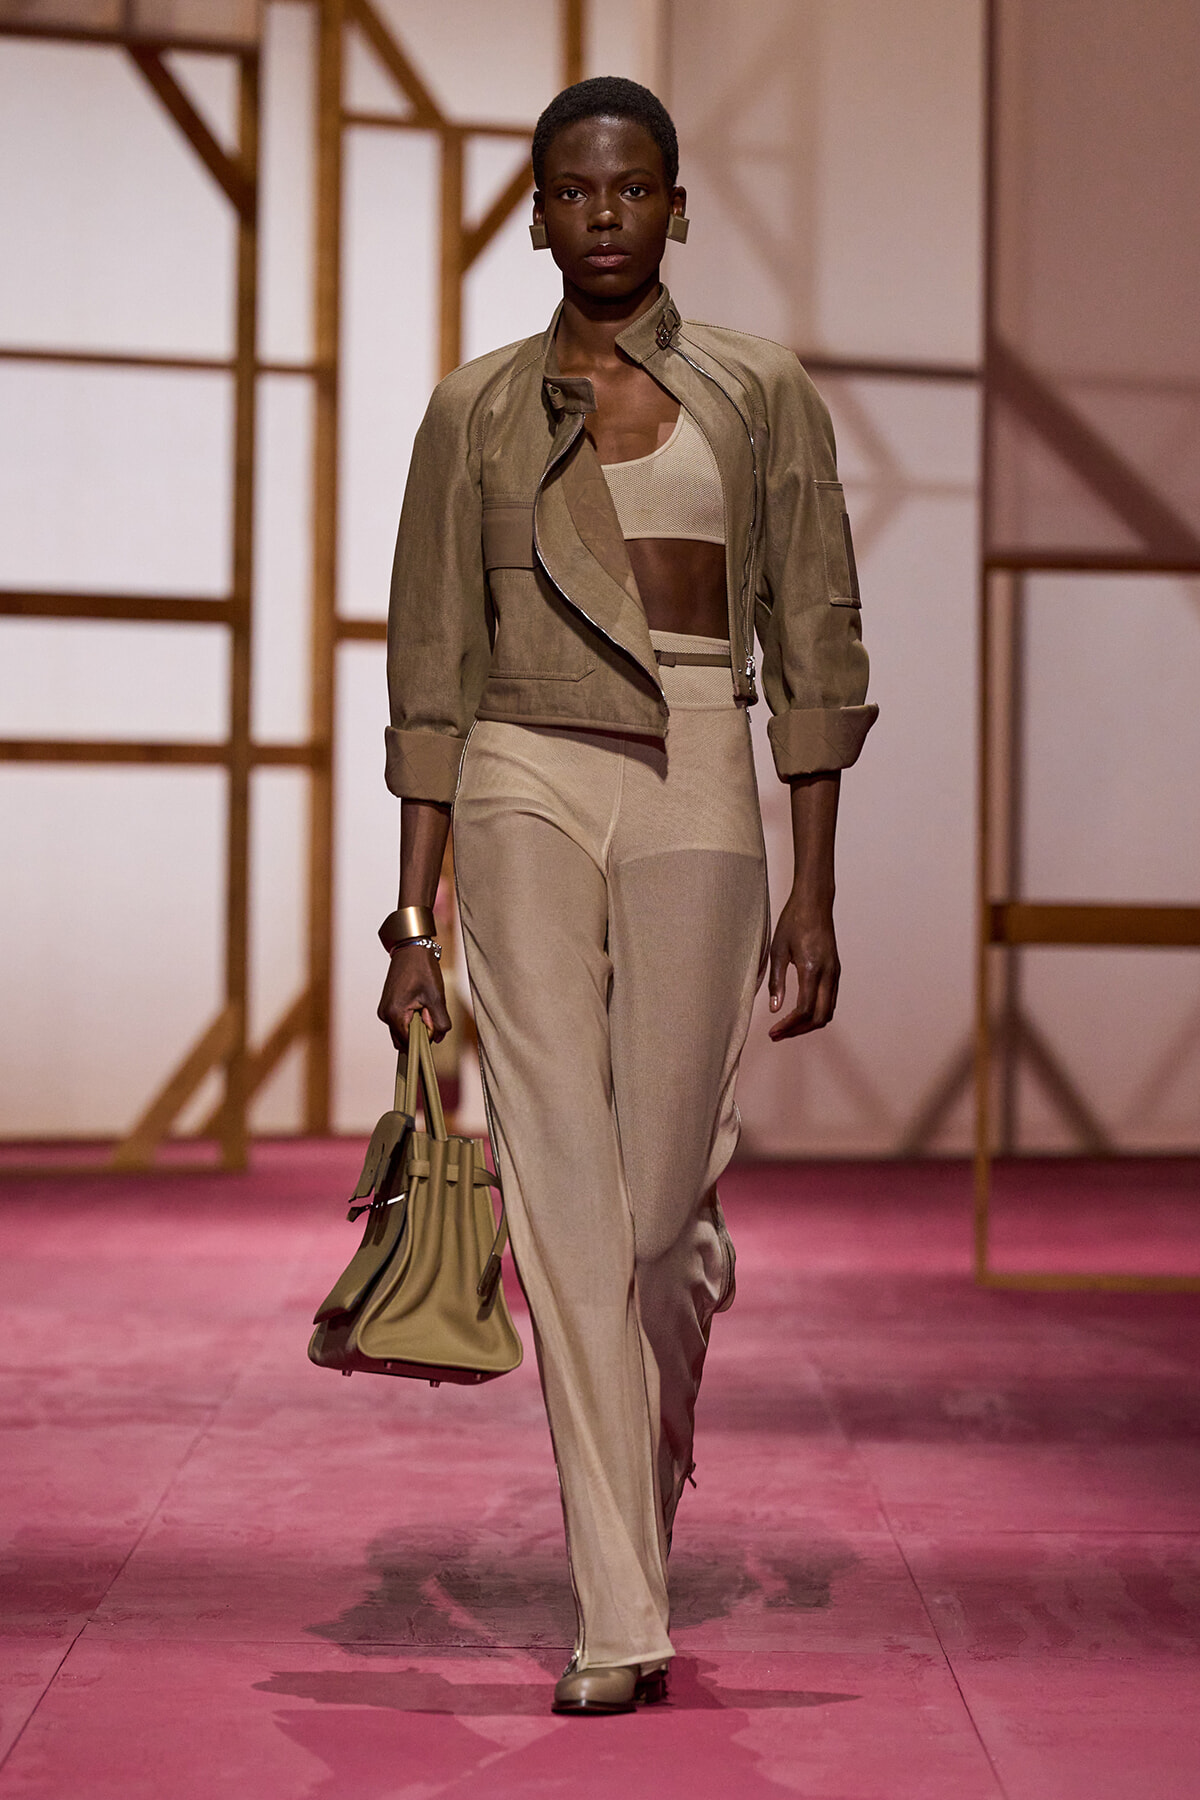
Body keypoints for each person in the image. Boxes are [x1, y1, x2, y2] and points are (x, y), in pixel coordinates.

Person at [377, 76, 876, 1716]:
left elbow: (813, 635)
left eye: (634, 190)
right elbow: (433, 662)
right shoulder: (474, 407)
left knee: (657, 1219)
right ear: (535, 212)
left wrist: (816, 891)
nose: (604, 216)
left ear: (676, 208)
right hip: (522, 770)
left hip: (698, 762)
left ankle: (668, 1355)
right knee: (564, 1204)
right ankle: (618, 1611)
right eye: (574, 193)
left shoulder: (760, 391)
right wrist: (410, 917)